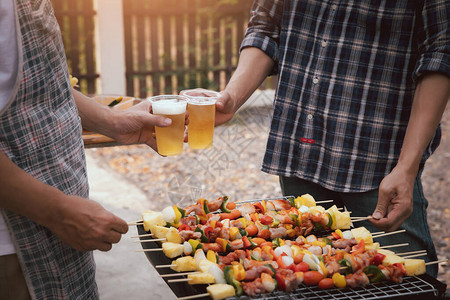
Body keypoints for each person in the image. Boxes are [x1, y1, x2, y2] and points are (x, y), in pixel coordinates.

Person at [216, 0, 449, 277]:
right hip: (298, 150)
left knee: (403, 281)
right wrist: (232, 98)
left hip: (379, 164)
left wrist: (406, 168)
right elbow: (266, 27)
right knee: (309, 277)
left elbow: (441, 50)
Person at [0, 0, 174, 299]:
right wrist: (57, 212)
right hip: (13, 245)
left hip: (62, 218)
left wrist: (112, 121)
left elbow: (42, 81)